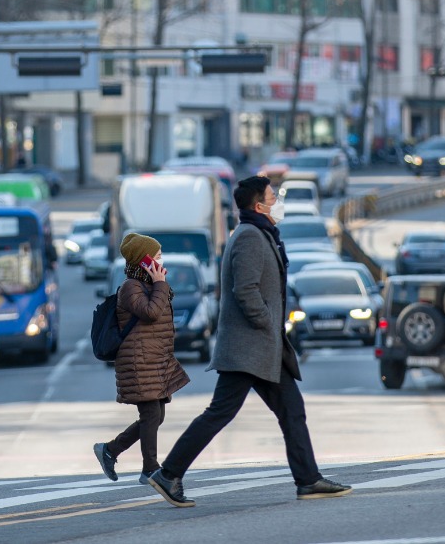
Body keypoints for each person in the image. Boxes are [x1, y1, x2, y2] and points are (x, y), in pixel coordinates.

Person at [148, 176, 352, 507]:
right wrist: (267, 323)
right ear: (259, 206)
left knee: (291, 410)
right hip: (248, 348)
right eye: (273, 198)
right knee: (220, 413)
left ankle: (308, 480)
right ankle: (169, 473)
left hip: (263, 348)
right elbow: (245, 290)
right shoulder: (249, 237)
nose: (278, 203)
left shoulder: (259, 233)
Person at [93, 233, 190, 486]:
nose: (161, 260)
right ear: (143, 260)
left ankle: (110, 450)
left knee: (156, 416)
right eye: (156, 256)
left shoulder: (147, 285)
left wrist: (158, 284)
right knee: (151, 414)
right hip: (139, 362)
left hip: (154, 361)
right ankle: (150, 468)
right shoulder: (130, 287)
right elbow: (151, 312)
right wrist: (160, 284)